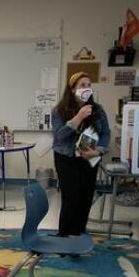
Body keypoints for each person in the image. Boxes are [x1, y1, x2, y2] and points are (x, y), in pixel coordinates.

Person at [51, 72, 111, 236]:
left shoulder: (98, 110)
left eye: (89, 85)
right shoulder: (59, 110)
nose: (86, 88)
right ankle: (64, 235)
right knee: (71, 198)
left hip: (90, 158)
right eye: (82, 85)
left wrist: (97, 151)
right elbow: (59, 136)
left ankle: (79, 234)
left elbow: (106, 134)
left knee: (85, 198)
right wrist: (78, 117)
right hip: (66, 158)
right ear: (72, 89)